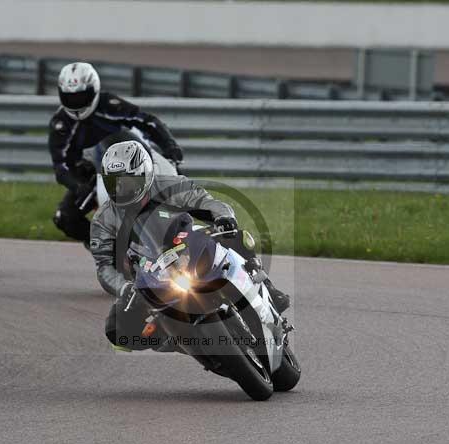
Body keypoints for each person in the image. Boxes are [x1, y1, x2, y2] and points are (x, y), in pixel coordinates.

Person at [90, 140, 290, 351]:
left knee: (234, 236)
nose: (121, 189)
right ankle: (176, 340)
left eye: (128, 182)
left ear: (145, 174)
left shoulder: (169, 186)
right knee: (116, 329)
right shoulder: (103, 219)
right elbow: (104, 266)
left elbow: (206, 202)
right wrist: (123, 287)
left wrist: (222, 217)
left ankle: (268, 288)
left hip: (185, 244)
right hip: (147, 273)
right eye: (114, 183)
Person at [48, 62, 183, 246]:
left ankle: (187, 227)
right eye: (70, 97)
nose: (76, 102)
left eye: (81, 96)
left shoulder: (109, 105)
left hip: (133, 158)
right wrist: (78, 186)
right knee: (64, 218)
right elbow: (61, 167)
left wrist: (170, 146)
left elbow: (147, 121)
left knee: (177, 180)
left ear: (94, 90)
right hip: (89, 174)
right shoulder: (60, 125)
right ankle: (104, 246)